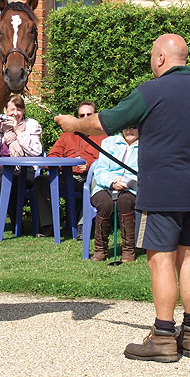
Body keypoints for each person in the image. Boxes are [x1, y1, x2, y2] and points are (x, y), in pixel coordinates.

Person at [55, 33, 190, 363]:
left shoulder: (151, 90)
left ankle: (162, 336)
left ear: (160, 58)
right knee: (188, 258)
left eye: (151, 56)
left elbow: (105, 121)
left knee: (161, 259)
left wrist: (72, 123)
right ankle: (188, 333)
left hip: (161, 191)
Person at [33, 101, 107, 239]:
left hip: (89, 176)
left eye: (88, 114)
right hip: (66, 176)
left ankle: (83, 225)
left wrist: (89, 165)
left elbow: (106, 161)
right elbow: (51, 156)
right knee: (40, 181)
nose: (85, 117)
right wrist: (60, 165)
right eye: (81, 115)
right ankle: (49, 225)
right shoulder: (67, 135)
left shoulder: (102, 136)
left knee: (97, 183)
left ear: (94, 115)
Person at [0, 94, 43, 235]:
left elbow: (36, 151)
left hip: (25, 169)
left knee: (7, 182)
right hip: (2, 168)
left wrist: (19, 133)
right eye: (12, 109)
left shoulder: (32, 125)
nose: (15, 113)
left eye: (19, 109)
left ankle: (16, 223)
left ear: (24, 111)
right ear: (5, 111)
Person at [90, 126, 139, 262]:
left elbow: (147, 172)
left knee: (125, 202)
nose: (129, 131)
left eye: (133, 128)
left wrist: (129, 181)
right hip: (105, 186)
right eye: (126, 128)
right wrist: (111, 182)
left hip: (132, 188)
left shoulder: (147, 145)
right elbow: (100, 171)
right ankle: (100, 249)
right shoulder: (108, 143)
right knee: (106, 204)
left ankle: (128, 250)